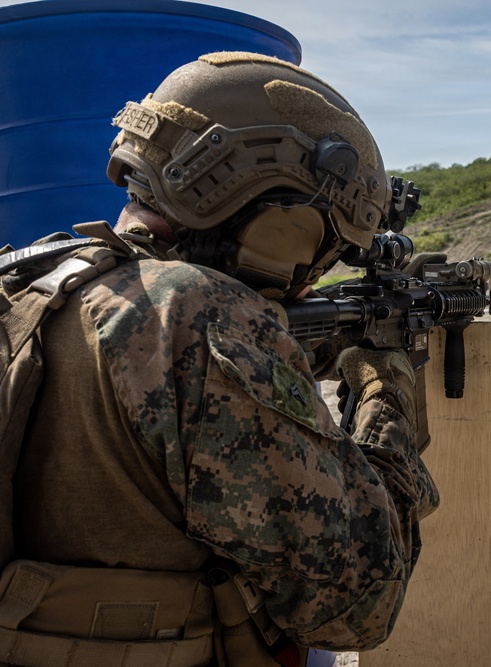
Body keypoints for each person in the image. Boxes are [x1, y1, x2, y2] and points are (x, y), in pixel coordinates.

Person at [1, 52, 439, 666]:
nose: (310, 280)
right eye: (319, 244)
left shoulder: (33, 276)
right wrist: (382, 389)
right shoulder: (196, 313)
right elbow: (360, 603)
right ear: (272, 211)